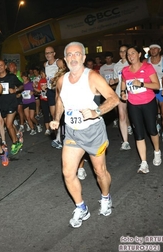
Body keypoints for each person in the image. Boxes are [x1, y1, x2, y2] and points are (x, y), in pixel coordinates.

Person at [49, 41, 119, 228]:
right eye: (69, 55)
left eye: (77, 54)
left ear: (83, 57)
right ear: (65, 59)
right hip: (72, 132)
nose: (73, 57)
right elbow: (60, 101)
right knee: (68, 172)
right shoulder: (62, 80)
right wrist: (57, 118)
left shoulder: (93, 77)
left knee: (99, 171)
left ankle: (105, 197)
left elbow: (114, 98)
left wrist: (97, 111)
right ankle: (81, 207)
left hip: (93, 132)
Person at [120, 45, 162, 173]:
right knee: (138, 133)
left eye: (132, 53)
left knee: (152, 130)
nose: (130, 56)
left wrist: (142, 84)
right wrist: (123, 92)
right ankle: (143, 163)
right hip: (133, 104)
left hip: (148, 103)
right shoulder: (125, 70)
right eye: (128, 54)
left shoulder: (147, 67)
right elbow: (123, 82)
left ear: (139, 54)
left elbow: (157, 85)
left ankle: (157, 151)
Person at [0, 59, 24, 155]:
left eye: (1, 65)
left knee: (8, 124)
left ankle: (15, 143)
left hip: (12, 103)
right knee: (10, 125)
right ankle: (18, 138)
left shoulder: (11, 77)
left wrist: (15, 90)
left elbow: (21, 86)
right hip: (1, 104)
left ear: (5, 67)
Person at [144, 44, 163, 142]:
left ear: (159, 50)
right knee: (152, 113)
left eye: (155, 48)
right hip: (151, 90)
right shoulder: (146, 62)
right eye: (151, 49)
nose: (153, 50)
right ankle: (156, 126)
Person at [111, 44, 133, 150]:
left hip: (134, 92)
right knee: (122, 116)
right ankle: (125, 141)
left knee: (134, 115)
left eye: (125, 51)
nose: (123, 53)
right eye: (121, 51)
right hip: (120, 92)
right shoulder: (117, 65)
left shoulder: (132, 63)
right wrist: (113, 81)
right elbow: (117, 79)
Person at [43, 46, 64, 149]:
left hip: (59, 90)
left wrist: (57, 80)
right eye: (46, 53)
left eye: (50, 53)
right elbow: (47, 78)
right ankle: (58, 138)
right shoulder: (45, 64)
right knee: (53, 115)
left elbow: (64, 73)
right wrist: (45, 85)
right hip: (50, 91)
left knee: (61, 113)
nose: (48, 55)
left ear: (54, 53)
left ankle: (65, 136)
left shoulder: (58, 62)